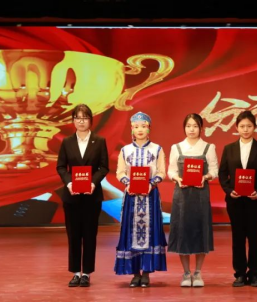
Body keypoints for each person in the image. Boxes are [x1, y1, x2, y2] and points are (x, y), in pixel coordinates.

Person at [219, 111, 257, 288]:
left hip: (254, 200)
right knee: (238, 237)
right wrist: (229, 190)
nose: (245, 129)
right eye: (242, 126)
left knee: (254, 236)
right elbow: (223, 174)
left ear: (255, 127)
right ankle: (240, 274)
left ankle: (255, 273)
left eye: (249, 126)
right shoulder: (229, 148)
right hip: (235, 200)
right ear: (236, 127)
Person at [56, 104, 109, 288]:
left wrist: (93, 183)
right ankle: (75, 273)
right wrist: (69, 183)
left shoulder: (99, 141)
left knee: (89, 234)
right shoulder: (67, 142)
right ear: (73, 121)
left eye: (85, 118)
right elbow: (61, 167)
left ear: (90, 120)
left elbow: (104, 167)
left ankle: (86, 273)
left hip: (92, 197)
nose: (81, 121)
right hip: (71, 196)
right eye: (78, 118)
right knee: (73, 235)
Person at [114, 112, 167, 287]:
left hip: (150, 196)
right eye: (136, 127)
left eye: (143, 126)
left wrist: (151, 183)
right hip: (131, 197)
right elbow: (120, 172)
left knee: (150, 233)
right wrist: (128, 183)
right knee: (131, 233)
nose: (140, 130)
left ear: (149, 128)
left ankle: (146, 273)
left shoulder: (157, 149)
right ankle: (135, 273)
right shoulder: (125, 150)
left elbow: (161, 172)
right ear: (132, 129)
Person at [168, 113, 219, 287]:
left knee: (200, 231)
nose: (192, 129)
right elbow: (171, 170)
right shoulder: (176, 147)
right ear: (184, 128)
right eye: (188, 126)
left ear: (201, 128)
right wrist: (177, 178)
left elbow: (214, 170)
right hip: (182, 195)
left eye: (195, 126)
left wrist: (205, 177)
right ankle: (185, 273)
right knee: (182, 231)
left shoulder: (208, 147)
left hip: (200, 195)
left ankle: (197, 272)